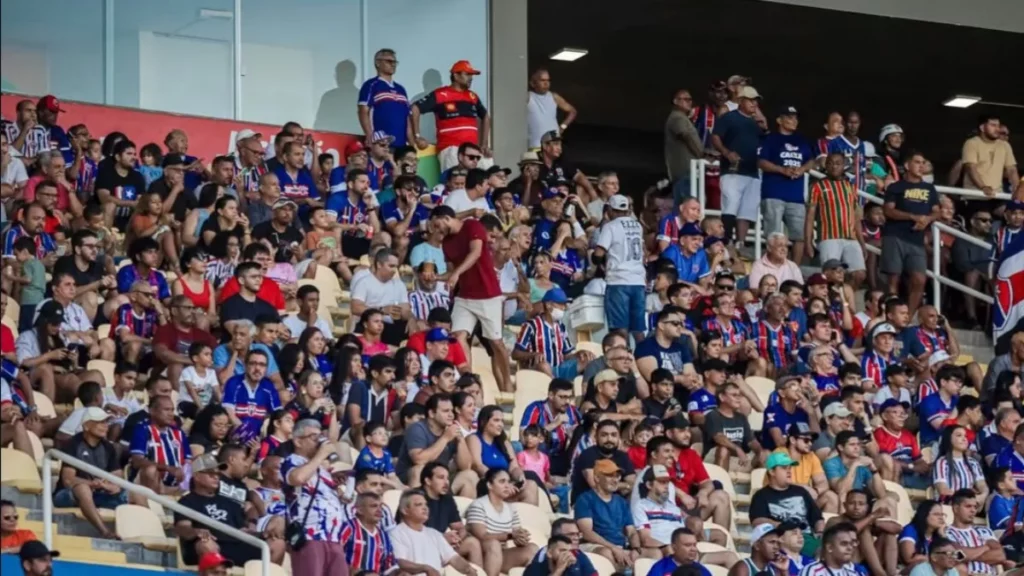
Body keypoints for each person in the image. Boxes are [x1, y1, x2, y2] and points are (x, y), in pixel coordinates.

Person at [430, 206, 511, 391]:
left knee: (496, 343)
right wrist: (437, 277)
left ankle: (507, 384)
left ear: (445, 218)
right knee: (458, 336)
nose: (436, 230)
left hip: (488, 294)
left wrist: (456, 274)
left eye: (437, 224)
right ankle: (469, 379)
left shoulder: (472, 226)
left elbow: (475, 253)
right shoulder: (446, 243)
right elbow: (451, 272)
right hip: (465, 296)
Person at [176, 453, 286, 567]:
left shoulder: (227, 501)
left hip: (234, 545)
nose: (216, 477)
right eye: (210, 473)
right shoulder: (186, 501)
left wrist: (253, 530)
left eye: (218, 474)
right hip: (207, 545)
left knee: (277, 543)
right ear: (197, 476)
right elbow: (182, 528)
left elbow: (243, 527)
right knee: (206, 543)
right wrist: (196, 532)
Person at [281, 418, 349, 575]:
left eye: (320, 436)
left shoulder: (322, 469)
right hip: (309, 535)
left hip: (333, 537)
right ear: (298, 441)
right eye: (314, 437)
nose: (319, 442)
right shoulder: (291, 461)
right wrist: (321, 455)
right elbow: (297, 478)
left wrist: (340, 489)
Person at [53, 408, 129, 538]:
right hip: (67, 495)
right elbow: (68, 480)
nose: (106, 426)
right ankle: (105, 532)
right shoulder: (73, 444)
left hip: (98, 493)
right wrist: (92, 483)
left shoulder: (108, 447)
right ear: (86, 426)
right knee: (83, 488)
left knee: (136, 494)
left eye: (106, 422)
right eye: (100, 422)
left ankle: (144, 537)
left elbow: (117, 475)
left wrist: (111, 486)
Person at [881, 151, 939, 316]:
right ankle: (892, 316)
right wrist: (913, 217)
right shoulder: (896, 187)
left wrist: (927, 220)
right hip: (895, 235)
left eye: (923, 163)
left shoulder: (929, 188)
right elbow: (888, 211)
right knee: (893, 279)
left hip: (916, 240)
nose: (921, 166)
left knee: (919, 280)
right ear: (907, 165)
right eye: (917, 162)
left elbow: (937, 211)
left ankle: (907, 318)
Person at [411, 60, 491, 172]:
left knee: (487, 174)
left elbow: (485, 116)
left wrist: (484, 144)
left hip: (473, 150)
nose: (471, 78)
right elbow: (415, 108)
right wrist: (417, 136)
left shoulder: (472, 96)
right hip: (451, 148)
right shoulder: (440, 94)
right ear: (456, 76)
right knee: (456, 180)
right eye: (467, 74)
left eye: (472, 75)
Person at [758, 105, 815, 263]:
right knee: (773, 236)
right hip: (773, 193)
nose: (794, 121)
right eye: (790, 117)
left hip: (796, 196)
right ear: (779, 120)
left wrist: (802, 169)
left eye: (795, 118)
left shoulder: (801, 140)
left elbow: (811, 160)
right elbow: (761, 162)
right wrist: (782, 170)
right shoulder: (771, 139)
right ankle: (773, 266)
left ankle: (794, 269)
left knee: (799, 235)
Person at [711, 86, 763, 252]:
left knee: (747, 210)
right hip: (732, 170)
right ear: (741, 101)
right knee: (731, 204)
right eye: (750, 100)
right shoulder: (729, 117)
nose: (754, 104)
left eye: (756, 101)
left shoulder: (755, 124)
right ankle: (727, 241)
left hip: (752, 171)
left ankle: (740, 243)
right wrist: (726, 152)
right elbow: (715, 137)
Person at [594, 194, 647, 343]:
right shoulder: (638, 226)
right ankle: (644, 355)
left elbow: (598, 255)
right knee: (638, 329)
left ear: (610, 210)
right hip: (638, 282)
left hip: (618, 282)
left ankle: (625, 355)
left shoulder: (610, 226)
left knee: (620, 328)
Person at [465, 468, 539, 576]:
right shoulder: (478, 505)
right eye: (502, 481)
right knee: (494, 544)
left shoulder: (511, 508)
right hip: (482, 554)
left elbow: (516, 535)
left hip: (502, 554)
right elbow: (482, 536)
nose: (507, 486)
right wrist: (510, 535)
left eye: (508, 482)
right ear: (489, 485)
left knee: (533, 548)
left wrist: (521, 537)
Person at [750, 452, 824, 557]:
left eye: (790, 468)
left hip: (805, 537)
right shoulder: (761, 495)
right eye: (784, 468)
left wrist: (820, 532)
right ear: (772, 471)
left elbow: (817, 517)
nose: (789, 471)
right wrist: (780, 526)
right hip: (781, 539)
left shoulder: (801, 491)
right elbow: (757, 521)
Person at [390, 490, 479, 576]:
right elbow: (399, 562)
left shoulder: (434, 534)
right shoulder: (396, 533)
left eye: (426, 504)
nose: (425, 508)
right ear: (405, 510)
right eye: (419, 504)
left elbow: (454, 558)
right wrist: (426, 568)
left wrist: (468, 569)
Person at [467, 405, 542, 505]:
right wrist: (502, 483)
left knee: (531, 485)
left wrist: (520, 477)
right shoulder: (474, 439)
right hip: (486, 486)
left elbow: (514, 467)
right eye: (496, 420)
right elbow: (478, 466)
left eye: (502, 421)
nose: (501, 425)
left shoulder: (504, 443)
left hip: (505, 485)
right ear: (483, 422)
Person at [512, 287, 592, 380]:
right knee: (543, 364)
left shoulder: (561, 326)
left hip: (560, 369)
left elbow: (566, 355)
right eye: (561, 304)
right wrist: (533, 354)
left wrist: (579, 354)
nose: (564, 308)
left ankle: (577, 386)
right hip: (538, 371)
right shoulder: (531, 326)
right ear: (548, 305)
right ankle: (555, 384)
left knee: (588, 360)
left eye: (564, 305)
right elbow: (515, 354)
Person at [420, 462, 485, 567]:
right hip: (419, 549)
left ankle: (478, 573)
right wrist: (441, 539)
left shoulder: (447, 499)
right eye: (441, 478)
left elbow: (459, 527)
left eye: (447, 478)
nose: (446, 482)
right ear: (428, 481)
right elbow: (411, 534)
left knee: (473, 543)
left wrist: (457, 538)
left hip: (441, 547)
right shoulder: (415, 498)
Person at [826, 490, 901, 576]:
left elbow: (898, 529)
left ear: (867, 507)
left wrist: (876, 523)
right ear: (844, 505)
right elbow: (848, 532)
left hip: (867, 565)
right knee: (864, 532)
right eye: (852, 503)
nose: (856, 507)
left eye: (861, 504)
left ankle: (892, 573)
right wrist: (872, 516)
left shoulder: (868, 520)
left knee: (889, 534)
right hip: (848, 564)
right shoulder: (834, 520)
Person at [519, 378, 582, 477]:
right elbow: (524, 438)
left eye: (569, 397)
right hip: (538, 456)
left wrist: (573, 434)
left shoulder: (572, 411)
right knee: (541, 443)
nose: (567, 401)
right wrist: (554, 424)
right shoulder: (536, 408)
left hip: (562, 458)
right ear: (551, 395)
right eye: (562, 397)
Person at [358, 49, 410, 147]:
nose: (393, 64)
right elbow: (363, 111)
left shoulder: (401, 89)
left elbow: (407, 118)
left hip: (401, 145)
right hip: (381, 143)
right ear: (378, 63)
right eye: (389, 61)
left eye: (395, 62)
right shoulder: (371, 85)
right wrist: (369, 135)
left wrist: (411, 143)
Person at [961, 114, 1018, 197]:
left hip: (998, 195)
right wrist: (983, 187)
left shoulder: (1005, 145)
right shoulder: (971, 143)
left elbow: (1012, 169)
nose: (997, 129)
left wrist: (1017, 188)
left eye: (998, 126)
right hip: (975, 195)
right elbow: (971, 168)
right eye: (993, 125)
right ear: (982, 128)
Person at [341, 492, 398, 574]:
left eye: (380, 506)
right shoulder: (348, 528)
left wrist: (400, 573)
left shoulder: (383, 535)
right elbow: (334, 557)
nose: (379, 510)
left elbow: (389, 566)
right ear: (360, 510)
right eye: (374, 506)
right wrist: (359, 573)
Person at [664, 89, 704, 204]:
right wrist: (701, 155)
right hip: (685, 171)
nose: (689, 102)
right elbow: (685, 136)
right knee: (687, 206)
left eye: (690, 100)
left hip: (688, 171)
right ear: (675, 101)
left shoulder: (683, 117)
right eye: (685, 99)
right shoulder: (677, 117)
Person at [527, 68, 577, 149]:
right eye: (542, 80)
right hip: (535, 144)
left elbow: (572, 111)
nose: (546, 83)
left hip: (553, 145)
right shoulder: (528, 96)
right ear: (533, 83)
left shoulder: (554, 97)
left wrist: (562, 127)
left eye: (548, 80)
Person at [646, 528, 713, 576]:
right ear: (674, 547)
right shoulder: (660, 568)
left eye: (694, 545)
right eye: (688, 545)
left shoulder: (702, 570)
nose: (693, 549)